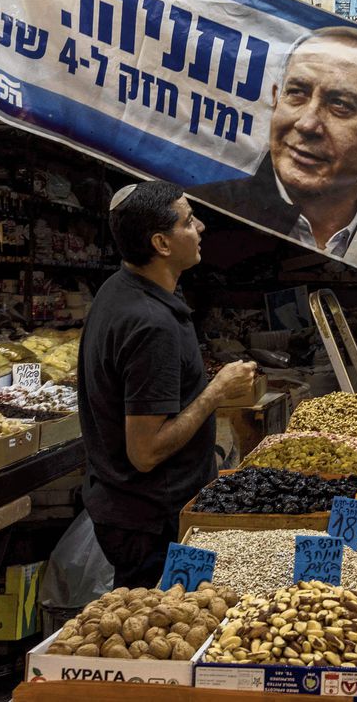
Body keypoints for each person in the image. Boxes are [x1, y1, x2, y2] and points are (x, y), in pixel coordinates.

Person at [78, 180, 256, 588]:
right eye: (190, 221)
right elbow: (145, 451)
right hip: (152, 522)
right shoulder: (150, 324)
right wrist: (216, 392)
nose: (202, 228)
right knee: (163, 627)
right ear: (161, 242)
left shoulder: (118, 288)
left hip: (132, 511)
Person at [193, 26, 357, 256]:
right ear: (276, 99)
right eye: (296, 93)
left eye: (341, 104)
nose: (306, 124)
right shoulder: (201, 215)